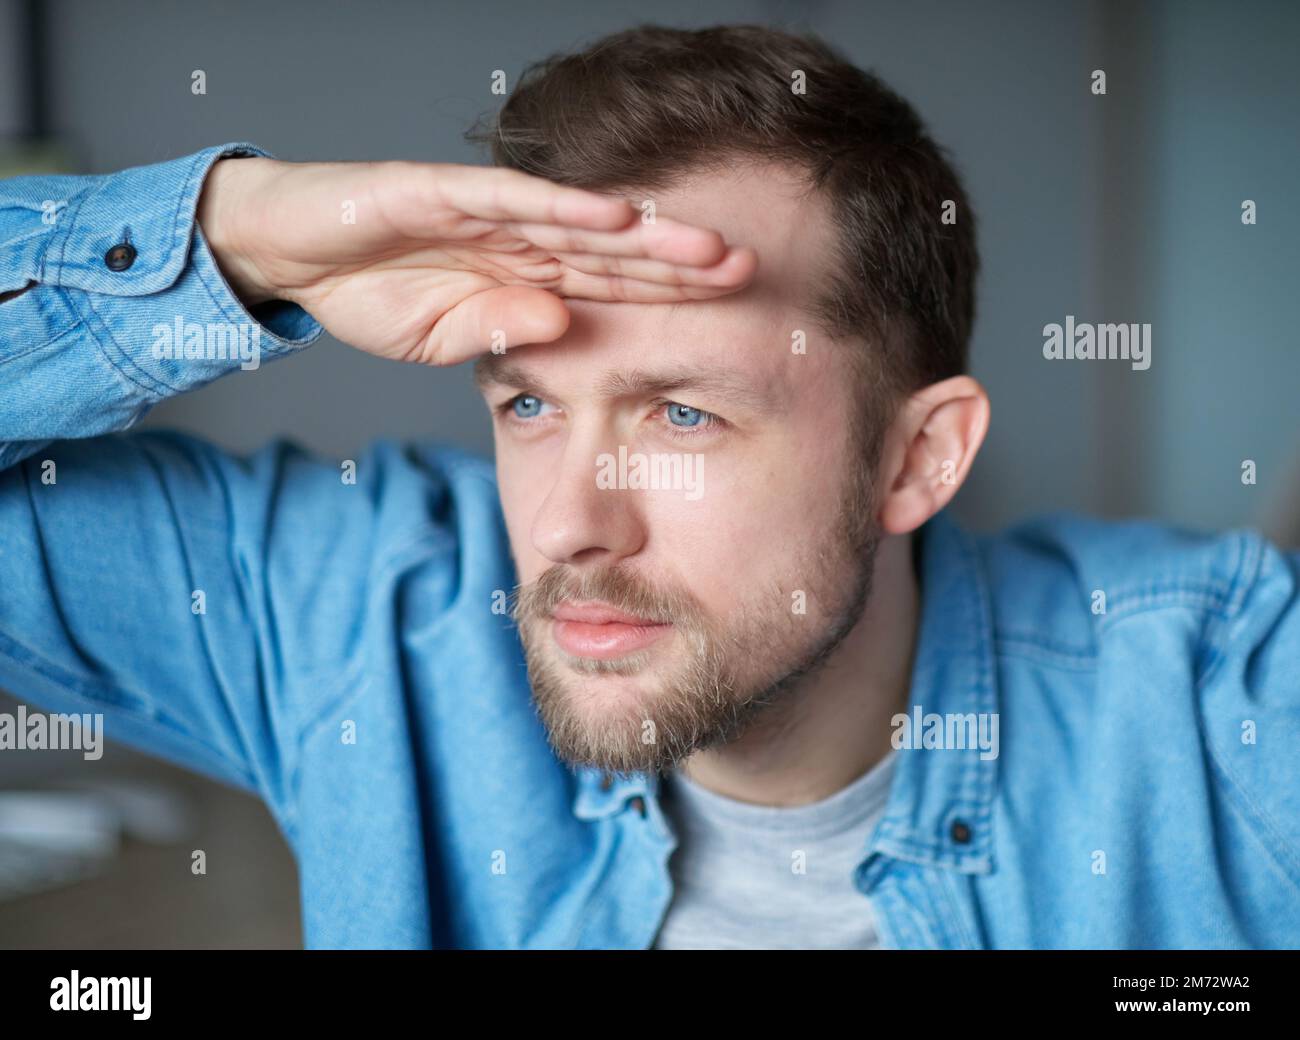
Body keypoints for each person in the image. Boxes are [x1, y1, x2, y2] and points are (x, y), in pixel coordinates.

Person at [1, 24, 1297, 950]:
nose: (567, 523)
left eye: (683, 413)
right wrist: (237, 236)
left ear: (919, 458)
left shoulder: (1214, 704)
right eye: (528, 404)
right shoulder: (355, 617)